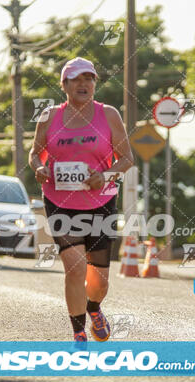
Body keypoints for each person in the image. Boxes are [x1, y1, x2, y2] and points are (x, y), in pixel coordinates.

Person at [29, 57, 134, 342]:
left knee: (98, 280)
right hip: (59, 201)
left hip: (101, 202)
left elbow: (127, 159)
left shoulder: (109, 115)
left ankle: (94, 309)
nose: (83, 84)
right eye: (76, 79)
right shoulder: (49, 117)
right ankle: (78, 334)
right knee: (74, 268)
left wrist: (105, 175)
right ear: (64, 85)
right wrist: (39, 168)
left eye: (89, 78)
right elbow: (34, 154)